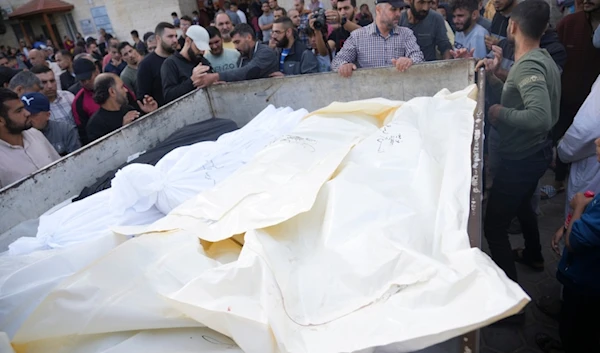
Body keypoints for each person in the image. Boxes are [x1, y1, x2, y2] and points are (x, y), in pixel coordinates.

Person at [479, 0, 560, 283]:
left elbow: (539, 115)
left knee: (493, 227)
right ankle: (535, 255)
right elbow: (521, 96)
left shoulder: (529, 67)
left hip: (522, 158)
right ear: (545, 27)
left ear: (512, 26)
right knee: (524, 205)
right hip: (536, 153)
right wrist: (493, 78)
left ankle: (510, 303)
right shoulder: (543, 57)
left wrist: (501, 112)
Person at [544, 0, 600, 199]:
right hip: (566, 100)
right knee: (561, 142)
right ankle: (558, 182)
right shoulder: (569, 23)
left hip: (593, 106)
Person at [330, 0, 424, 77]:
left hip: (398, 94)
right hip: (369, 96)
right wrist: (344, 66)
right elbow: (337, 61)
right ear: (378, 10)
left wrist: (409, 61)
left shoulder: (406, 33)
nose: (398, 14)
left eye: (400, 9)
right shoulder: (358, 36)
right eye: (393, 9)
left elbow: (418, 56)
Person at [0, 88, 60, 188]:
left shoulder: (35, 134)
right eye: (19, 111)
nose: (27, 113)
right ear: (1, 121)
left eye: (23, 108)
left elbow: (61, 167)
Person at [190, 24, 278, 87]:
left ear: (248, 37)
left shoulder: (265, 52)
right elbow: (241, 79)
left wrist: (215, 77)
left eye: (237, 42)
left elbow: (248, 72)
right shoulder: (243, 57)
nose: (235, 47)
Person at [86, 73, 157, 142]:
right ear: (112, 92)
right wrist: (123, 130)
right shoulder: (95, 125)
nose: (126, 90)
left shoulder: (128, 109)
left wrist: (150, 113)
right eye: (122, 87)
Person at [162, 25, 214, 103]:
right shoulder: (170, 64)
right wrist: (192, 80)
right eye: (198, 48)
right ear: (188, 41)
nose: (201, 52)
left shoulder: (202, 61)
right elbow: (169, 96)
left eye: (203, 49)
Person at [137, 22, 178, 107]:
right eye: (170, 36)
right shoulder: (146, 64)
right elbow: (143, 96)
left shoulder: (178, 57)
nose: (175, 40)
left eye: (176, 36)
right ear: (158, 38)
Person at [71, 58, 101, 143]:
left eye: (89, 77)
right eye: (82, 80)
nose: (87, 82)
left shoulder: (114, 84)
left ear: (96, 72)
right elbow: (84, 133)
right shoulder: (78, 102)